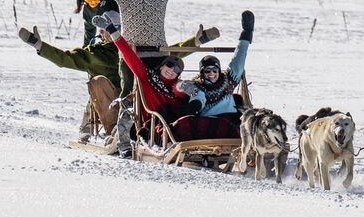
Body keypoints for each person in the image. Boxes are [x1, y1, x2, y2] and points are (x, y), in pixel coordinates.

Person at [47, 0, 232, 100]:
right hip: (130, 54)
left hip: (159, 53)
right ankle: (121, 137)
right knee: (128, 96)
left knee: (164, 94)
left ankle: (161, 132)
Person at [18, 11, 220, 146]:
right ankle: (111, 129)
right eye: (109, 28)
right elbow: (65, 59)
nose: (113, 31)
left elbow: (171, 57)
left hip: (140, 96)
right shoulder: (95, 54)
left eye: (117, 27)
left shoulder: (135, 47)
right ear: (103, 32)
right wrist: (40, 46)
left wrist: (196, 41)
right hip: (112, 98)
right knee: (98, 81)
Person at [172, 11, 254, 140]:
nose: (211, 74)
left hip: (229, 119)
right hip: (208, 123)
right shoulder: (196, 85)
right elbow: (180, 89)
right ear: (202, 73)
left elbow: (239, 59)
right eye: (207, 71)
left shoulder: (229, 79)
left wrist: (247, 33)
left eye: (214, 71)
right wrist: (182, 87)